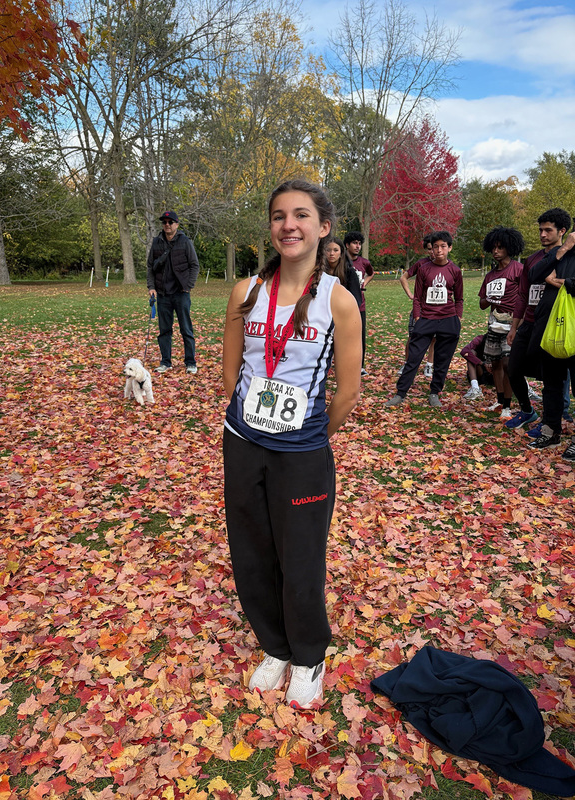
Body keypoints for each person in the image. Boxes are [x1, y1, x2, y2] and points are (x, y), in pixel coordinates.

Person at [222, 179, 362, 710]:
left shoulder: (339, 301)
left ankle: (308, 657)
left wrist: (311, 436)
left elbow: (347, 392)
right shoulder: (245, 292)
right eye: (279, 215)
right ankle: (274, 647)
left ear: (322, 228)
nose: (289, 225)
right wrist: (248, 420)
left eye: (301, 215)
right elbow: (229, 372)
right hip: (243, 443)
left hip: (303, 454)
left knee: (300, 557)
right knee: (252, 551)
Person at [505, 209, 572, 431]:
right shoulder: (533, 259)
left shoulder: (568, 257)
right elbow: (523, 293)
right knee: (513, 368)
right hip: (529, 322)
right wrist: (515, 326)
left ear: (562, 231)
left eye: (548, 230)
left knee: (552, 375)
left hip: (555, 324)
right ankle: (527, 411)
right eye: (540, 230)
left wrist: (559, 281)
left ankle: (556, 418)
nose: (542, 234)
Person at [384, 231, 462, 409]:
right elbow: (417, 297)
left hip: (448, 319)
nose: (439, 250)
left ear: (449, 248)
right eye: (436, 247)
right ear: (432, 249)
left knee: (442, 360)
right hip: (426, 318)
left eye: (443, 246)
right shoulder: (424, 268)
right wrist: (418, 317)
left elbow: (460, 298)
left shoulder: (455, 271)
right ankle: (400, 393)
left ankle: (435, 393)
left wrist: (457, 317)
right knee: (414, 357)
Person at [526, 229, 575, 460]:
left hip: (573, 330)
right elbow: (534, 274)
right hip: (551, 330)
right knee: (552, 385)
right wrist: (563, 249)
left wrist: (563, 282)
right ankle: (551, 430)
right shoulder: (560, 252)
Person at [478, 227, 524, 419]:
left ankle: (507, 405)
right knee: (495, 363)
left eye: (500, 247)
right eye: (493, 248)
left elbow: (525, 297)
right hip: (494, 323)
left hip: (512, 323)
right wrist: (491, 298)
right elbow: (481, 304)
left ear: (509, 248)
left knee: (507, 364)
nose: (496, 251)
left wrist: (518, 323)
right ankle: (498, 400)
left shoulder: (518, 270)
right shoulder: (490, 276)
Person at [147, 210, 199, 374]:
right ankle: (165, 362)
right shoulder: (157, 242)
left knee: (186, 329)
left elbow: (194, 265)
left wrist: (188, 285)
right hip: (162, 294)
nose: (167, 225)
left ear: (176, 224)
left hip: (181, 293)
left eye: (170, 222)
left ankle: (190, 362)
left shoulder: (185, 242)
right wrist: (151, 287)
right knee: (164, 331)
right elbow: (150, 267)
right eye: (164, 222)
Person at [399, 235, 435, 377]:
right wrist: (411, 295)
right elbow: (404, 277)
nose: (433, 252)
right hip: (420, 307)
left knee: (434, 338)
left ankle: (429, 365)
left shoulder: (445, 265)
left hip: (436, 309)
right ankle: (407, 364)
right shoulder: (421, 264)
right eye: (430, 249)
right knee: (413, 337)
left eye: (435, 247)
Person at [344, 231, 374, 374]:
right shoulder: (341, 262)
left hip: (359, 305)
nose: (357, 246)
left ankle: (360, 366)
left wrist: (363, 284)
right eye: (354, 243)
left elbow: (371, 273)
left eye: (359, 243)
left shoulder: (364, 262)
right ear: (347, 245)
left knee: (360, 336)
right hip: (342, 305)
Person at [324, 237, 362, 309]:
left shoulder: (349, 272)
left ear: (341, 253)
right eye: (328, 250)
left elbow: (356, 300)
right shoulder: (319, 272)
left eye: (335, 250)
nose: (331, 253)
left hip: (343, 312)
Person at [460, 333, 494, 400]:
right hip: (480, 370)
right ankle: (474, 387)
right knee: (471, 352)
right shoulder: (480, 339)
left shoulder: (503, 340)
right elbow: (464, 352)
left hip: (495, 371)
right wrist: (482, 363)